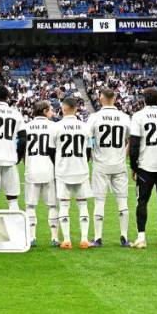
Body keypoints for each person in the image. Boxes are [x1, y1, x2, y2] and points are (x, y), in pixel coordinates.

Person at [129, 88, 157, 249]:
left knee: (142, 201)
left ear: (144, 100)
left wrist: (134, 166)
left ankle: (141, 238)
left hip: (146, 165)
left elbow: (134, 144)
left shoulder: (138, 116)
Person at [86, 88, 131, 247]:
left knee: (99, 201)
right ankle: (124, 237)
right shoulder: (124, 117)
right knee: (122, 201)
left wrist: (92, 156)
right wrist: (124, 155)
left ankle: (98, 238)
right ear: (115, 98)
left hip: (101, 165)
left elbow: (86, 140)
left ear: (101, 98)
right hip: (119, 164)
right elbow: (132, 140)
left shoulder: (94, 117)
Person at [50, 97, 92, 249]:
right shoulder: (85, 127)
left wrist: (58, 163)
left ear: (64, 108)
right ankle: (85, 239)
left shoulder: (56, 127)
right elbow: (88, 151)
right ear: (76, 108)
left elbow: (51, 150)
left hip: (63, 170)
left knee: (64, 204)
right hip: (81, 169)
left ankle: (67, 240)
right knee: (82, 204)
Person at [22, 101, 57, 247]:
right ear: (44, 111)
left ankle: (31, 237)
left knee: (30, 206)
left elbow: (22, 150)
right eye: (50, 110)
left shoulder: (26, 127)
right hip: (49, 169)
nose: (52, 112)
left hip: (32, 169)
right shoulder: (54, 127)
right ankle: (54, 238)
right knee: (53, 206)